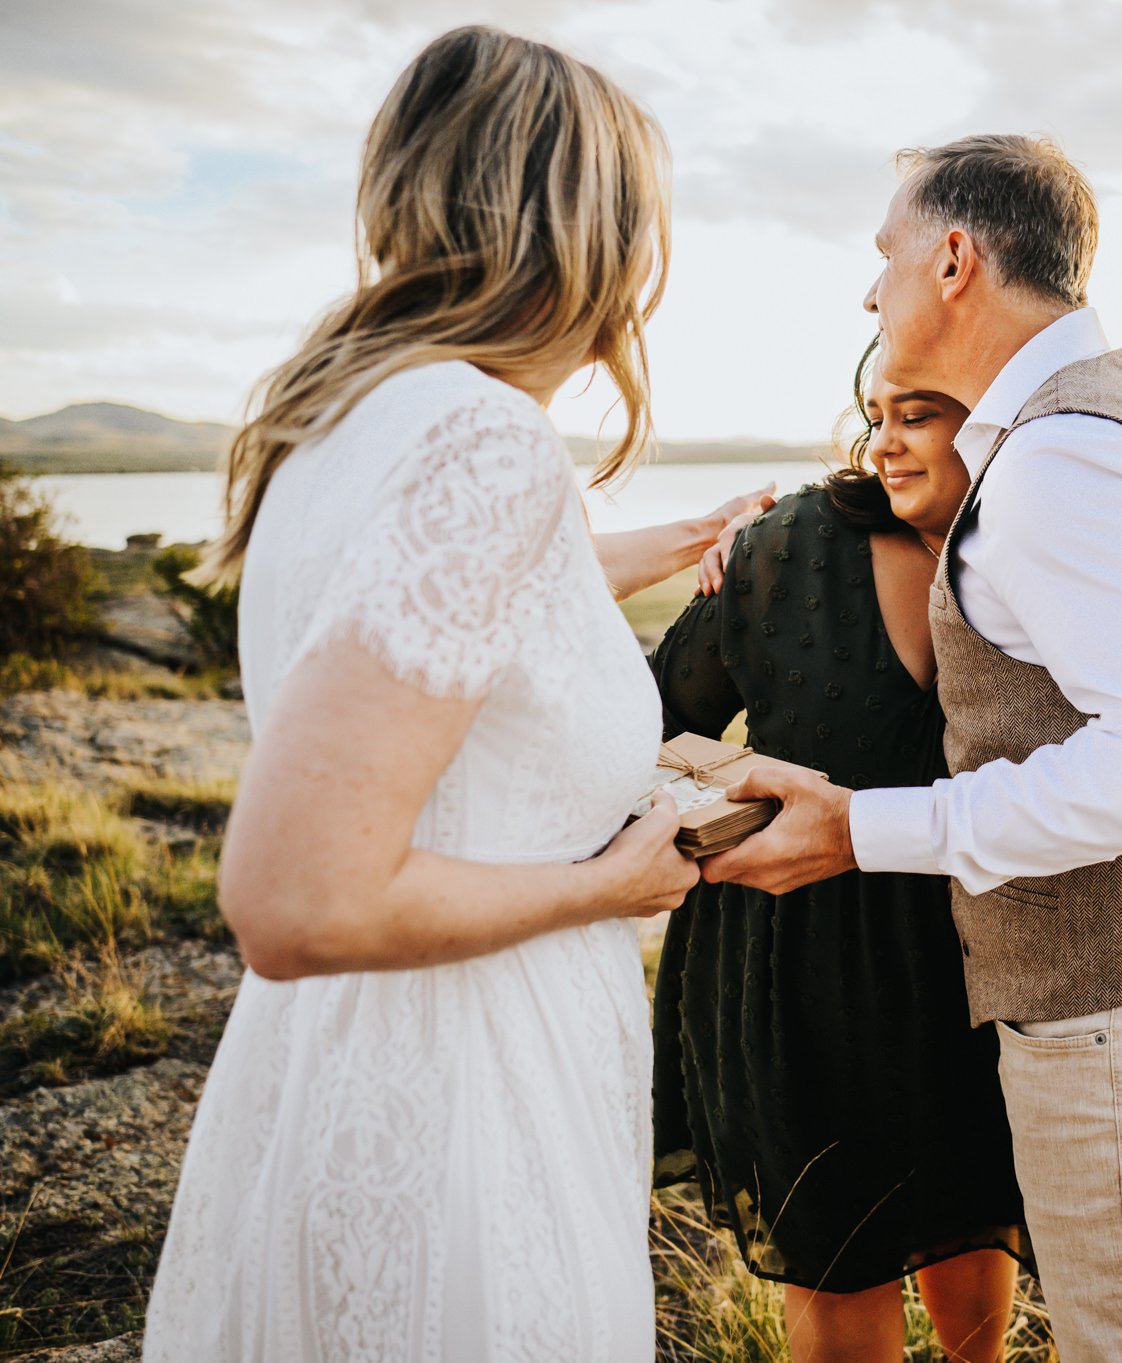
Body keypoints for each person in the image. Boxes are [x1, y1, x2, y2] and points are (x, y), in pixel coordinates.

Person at [143, 28, 767, 1362]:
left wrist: (679, 543)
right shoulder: (487, 441)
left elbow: (447, 619)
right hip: (462, 1105)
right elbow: (295, 897)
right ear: (588, 236)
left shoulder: (344, 419)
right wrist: (615, 881)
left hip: (345, 1066)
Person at [702, 135, 1122, 1363]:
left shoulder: (1062, 453)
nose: (866, 292)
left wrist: (865, 827)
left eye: (881, 258)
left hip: (1118, 1007)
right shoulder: (1083, 414)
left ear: (950, 259)